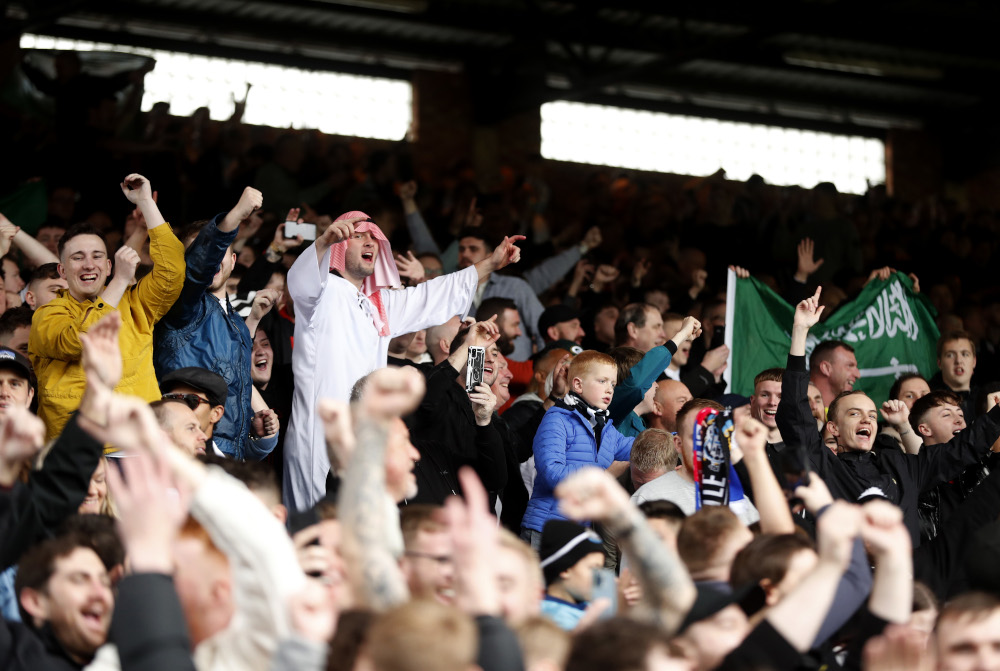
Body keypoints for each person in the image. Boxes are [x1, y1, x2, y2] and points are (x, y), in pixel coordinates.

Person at [283, 211, 522, 509]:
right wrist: (322, 244)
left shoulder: (380, 306)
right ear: (340, 246)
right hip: (320, 430)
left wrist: (491, 263)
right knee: (315, 522)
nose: (370, 241)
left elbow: (430, 295)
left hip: (368, 437)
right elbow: (300, 282)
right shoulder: (323, 291)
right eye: (359, 236)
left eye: (374, 237)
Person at [775, 287, 1000, 546]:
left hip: (907, 579)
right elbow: (795, 411)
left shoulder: (902, 465)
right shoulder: (824, 464)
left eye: (872, 415)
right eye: (854, 413)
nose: (866, 420)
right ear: (833, 428)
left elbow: (962, 449)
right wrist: (800, 331)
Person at [28, 174, 185, 440]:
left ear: (109, 266)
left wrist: (146, 202)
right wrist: (121, 280)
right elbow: (82, 339)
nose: (89, 264)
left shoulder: (136, 302)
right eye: (78, 258)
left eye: (98, 256)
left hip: (136, 445)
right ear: (62, 271)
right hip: (75, 451)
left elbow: (173, 272)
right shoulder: (48, 315)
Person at [155, 187, 278, 459]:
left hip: (226, 457)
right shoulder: (181, 308)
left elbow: (235, 413)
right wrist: (235, 215)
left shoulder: (236, 324)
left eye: (220, 252)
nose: (212, 258)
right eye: (200, 252)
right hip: (186, 449)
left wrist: (257, 436)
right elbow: (201, 266)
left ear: (233, 261)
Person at [521, 351, 636, 549]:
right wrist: (602, 476)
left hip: (577, 531)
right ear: (578, 385)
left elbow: (640, 448)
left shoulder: (605, 428)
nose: (609, 389)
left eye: (613, 384)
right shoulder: (557, 418)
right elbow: (552, 472)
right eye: (602, 381)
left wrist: (674, 441)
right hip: (545, 528)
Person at [631, 399, 760, 526]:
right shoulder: (648, 496)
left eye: (716, 436)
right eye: (697, 437)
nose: (707, 445)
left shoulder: (743, 498)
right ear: (678, 444)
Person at [537, 520, 605, 630]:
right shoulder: (551, 622)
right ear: (565, 570)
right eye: (593, 568)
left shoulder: (587, 607)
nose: (599, 578)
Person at [932, 331, 983, 420]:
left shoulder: (985, 399)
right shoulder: (930, 401)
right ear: (939, 363)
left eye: (965, 354)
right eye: (950, 355)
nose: (958, 361)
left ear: (974, 362)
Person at [808, 340, 859, 408]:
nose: (858, 375)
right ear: (826, 368)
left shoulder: (843, 416)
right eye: (849, 366)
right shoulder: (795, 409)